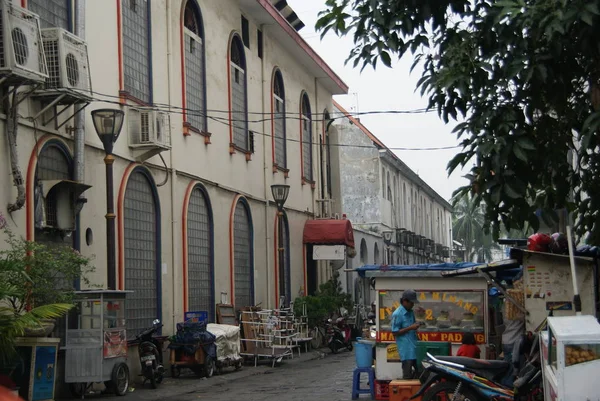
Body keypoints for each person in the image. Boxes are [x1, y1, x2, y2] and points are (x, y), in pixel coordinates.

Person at [391, 289, 421, 379]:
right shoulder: (397, 314)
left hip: (415, 347)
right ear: (404, 301)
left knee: (421, 373)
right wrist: (411, 328)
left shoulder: (410, 312)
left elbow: (413, 326)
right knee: (407, 376)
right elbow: (395, 332)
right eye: (411, 303)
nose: (413, 305)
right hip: (406, 350)